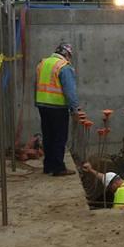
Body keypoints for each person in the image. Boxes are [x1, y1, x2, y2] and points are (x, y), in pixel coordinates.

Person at [35, 43, 80, 176]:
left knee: (48, 136)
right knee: (59, 137)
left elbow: (36, 85)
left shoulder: (42, 64)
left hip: (43, 105)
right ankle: (59, 168)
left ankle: (48, 166)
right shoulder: (63, 67)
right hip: (57, 107)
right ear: (66, 54)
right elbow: (70, 91)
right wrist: (75, 110)